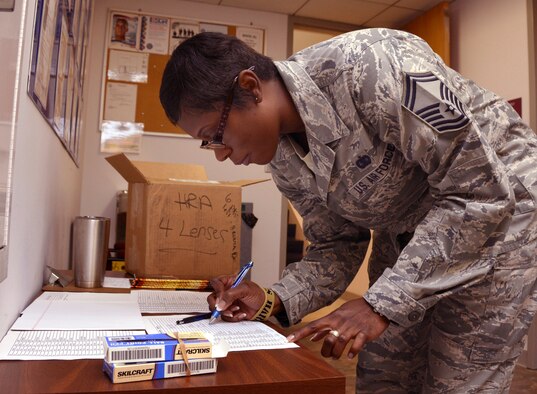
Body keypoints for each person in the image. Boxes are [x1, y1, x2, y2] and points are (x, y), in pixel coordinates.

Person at [159, 28, 537, 393]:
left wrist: (380, 304)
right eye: (208, 145)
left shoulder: (377, 67)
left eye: (216, 135)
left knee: (455, 379)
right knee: (384, 374)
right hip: (411, 230)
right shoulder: (282, 157)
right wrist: (273, 300)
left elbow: (480, 193)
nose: (221, 153)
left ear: (250, 87)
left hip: (502, 218)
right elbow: (337, 243)